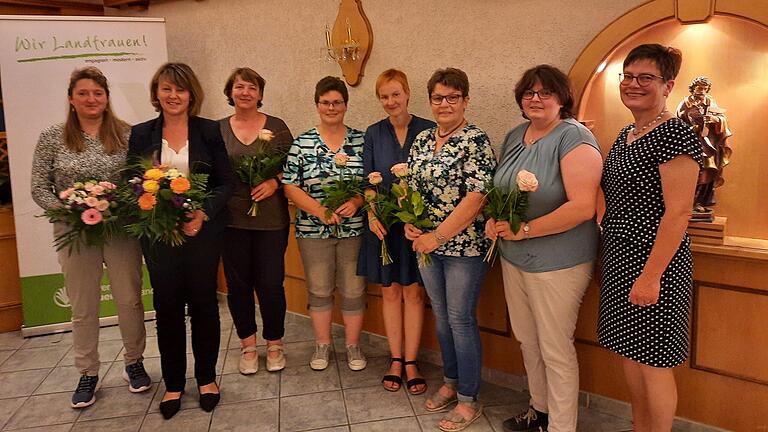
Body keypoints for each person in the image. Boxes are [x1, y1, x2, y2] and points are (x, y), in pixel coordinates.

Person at [485, 65, 602, 432]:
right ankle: (540, 410)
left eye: (545, 92)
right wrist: (495, 219)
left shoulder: (574, 138)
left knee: (555, 348)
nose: (536, 98)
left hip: (559, 262)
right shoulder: (515, 135)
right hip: (514, 257)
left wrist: (527, 230)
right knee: (528, 341)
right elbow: (501, 191)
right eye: (529, 92)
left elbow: (583, 206)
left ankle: (561, 427)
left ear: (562, 98)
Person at [31, 66, 150, 409]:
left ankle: (134, 362)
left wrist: (118, 203)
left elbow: (140, 180)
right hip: (74, 231)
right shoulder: (53, 136)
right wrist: (68, 209)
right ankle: (87, 373)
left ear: (107, 98)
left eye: (98, 93)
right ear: (71, 99)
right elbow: (39, 186)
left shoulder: (127, 133)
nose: (91, 99)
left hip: (119, 227)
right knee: (84, 306)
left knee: (129, 299)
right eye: (83, 93)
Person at [599, 44, 702, 432]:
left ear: (668, 85)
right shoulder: (628, 133)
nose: (633, 84)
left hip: (655, 266)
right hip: (621, 260)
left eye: (646, 77)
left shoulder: (675, 135)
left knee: (653, 363)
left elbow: (678, 212)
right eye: (627, 76)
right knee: (630, 356)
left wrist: (650, 275)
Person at [128, 62, 234, 419]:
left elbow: (225, 183)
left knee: (204, 306)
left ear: (192, 94)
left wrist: (202, 214)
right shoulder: (141, 134)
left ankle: (206, 378)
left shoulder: (208, 131)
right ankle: (174, 383)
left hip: (201, 235)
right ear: (156, 93)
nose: (174, 96)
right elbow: (134, 185)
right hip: (160, 239)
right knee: (168, 310)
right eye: (166, 89)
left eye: (181, 89)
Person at [404, 67, 496, 431]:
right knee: (442, 318)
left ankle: (469, 400)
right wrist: (410, 222)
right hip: (425, 245)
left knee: (460, 319)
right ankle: (452, 382)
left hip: (464, 248)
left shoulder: (476, 140)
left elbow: (476, 197)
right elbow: (411, 185)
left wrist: (436, 236)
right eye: (438, 98)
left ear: (466, 100)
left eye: (452, 97)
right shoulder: (423, 139)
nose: (445, 104)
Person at [356, 69, 434, 395]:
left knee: (414, 292)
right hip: (385, 226)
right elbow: (368, 180)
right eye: (384, 96)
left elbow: (433, 181)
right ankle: (396, 359)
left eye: (395, 94)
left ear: (407, 94)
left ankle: (413, 361)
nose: (391, 101)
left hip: (417, 228)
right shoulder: (373, 133)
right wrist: (373, 215)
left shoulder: (428, 130)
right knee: (390, 292)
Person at [282, 76, 368, 372]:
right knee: (319, 289)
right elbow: (290, 185)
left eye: (337, 102)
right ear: (317, 105)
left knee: (354, 289)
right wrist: (319, 210)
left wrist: (356, 201)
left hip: (353, 229)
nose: (331, 107)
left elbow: (370, 183)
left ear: (346, 104)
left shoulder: (360, 140)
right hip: (312, 229)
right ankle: (322, 344)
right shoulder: (302, 143)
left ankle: (353, 345)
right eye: (325, 102)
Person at [219, 67, 293, 374]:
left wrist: (275, 182)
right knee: (238, 286)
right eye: (239, 86)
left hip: (271, 221)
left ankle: (274, 343)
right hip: (232, 221)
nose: (245, 92)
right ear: (231, 92)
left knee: (271, 284)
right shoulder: (218, 129)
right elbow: (209, 171)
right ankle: (248, 345)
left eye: (251, 87)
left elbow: (295, 165)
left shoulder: (277, 126)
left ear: (260, 94)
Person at [675, 76, 733, 219]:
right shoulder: (685, 103)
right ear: (693, 88)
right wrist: (691, 128)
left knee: (707, 172)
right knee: (690, 172)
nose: (702, 91)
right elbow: (676, 123)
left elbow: (722, 118)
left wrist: (714, 120)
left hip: (707, 144)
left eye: (705, 88)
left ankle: (699, 201)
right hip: (689, 144)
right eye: (699, 88)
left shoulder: (710, 101)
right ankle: (685, 202)